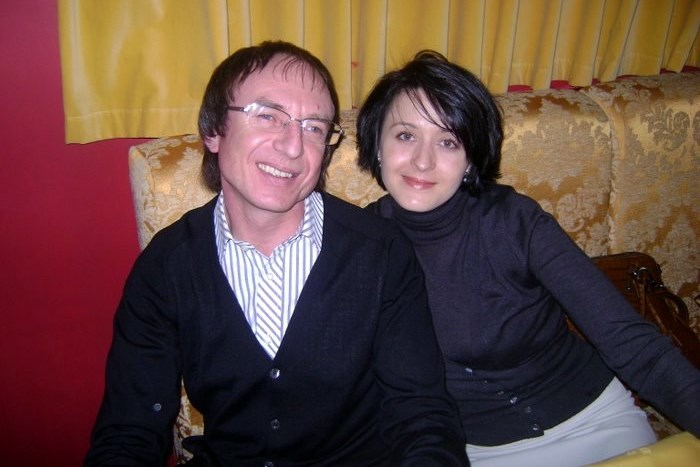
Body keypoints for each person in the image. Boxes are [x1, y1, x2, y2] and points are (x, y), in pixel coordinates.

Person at [85, 42, 469, 467]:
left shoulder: (380, 253)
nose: (292, 147)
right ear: (213, 130)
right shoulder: (167, 266)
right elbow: (129, 432)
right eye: (267, 116)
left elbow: (422, 417)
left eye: (314, 128)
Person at [356, 50, 700, 467]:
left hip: (595, 423)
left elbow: (633, 343)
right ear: (377, 144)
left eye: (448, 142)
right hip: (472, 451)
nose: (422, 161)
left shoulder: (514, 221)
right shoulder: (360, 246)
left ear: (470, 161)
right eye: (405, 136)